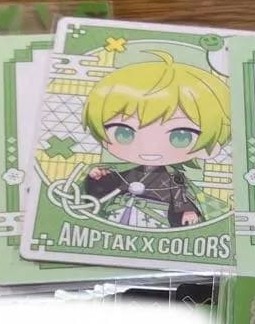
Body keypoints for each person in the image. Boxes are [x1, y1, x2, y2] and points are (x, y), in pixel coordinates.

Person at [81, 50, 230, 228]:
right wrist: (97, 177)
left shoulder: (173, 177)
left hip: (155, 217)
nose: (150, 147)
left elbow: (180, 195)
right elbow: (108, 189)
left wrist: (188, 210)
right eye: (124, 133)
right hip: (120, 212)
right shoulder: (127, 171)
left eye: (179, 137)